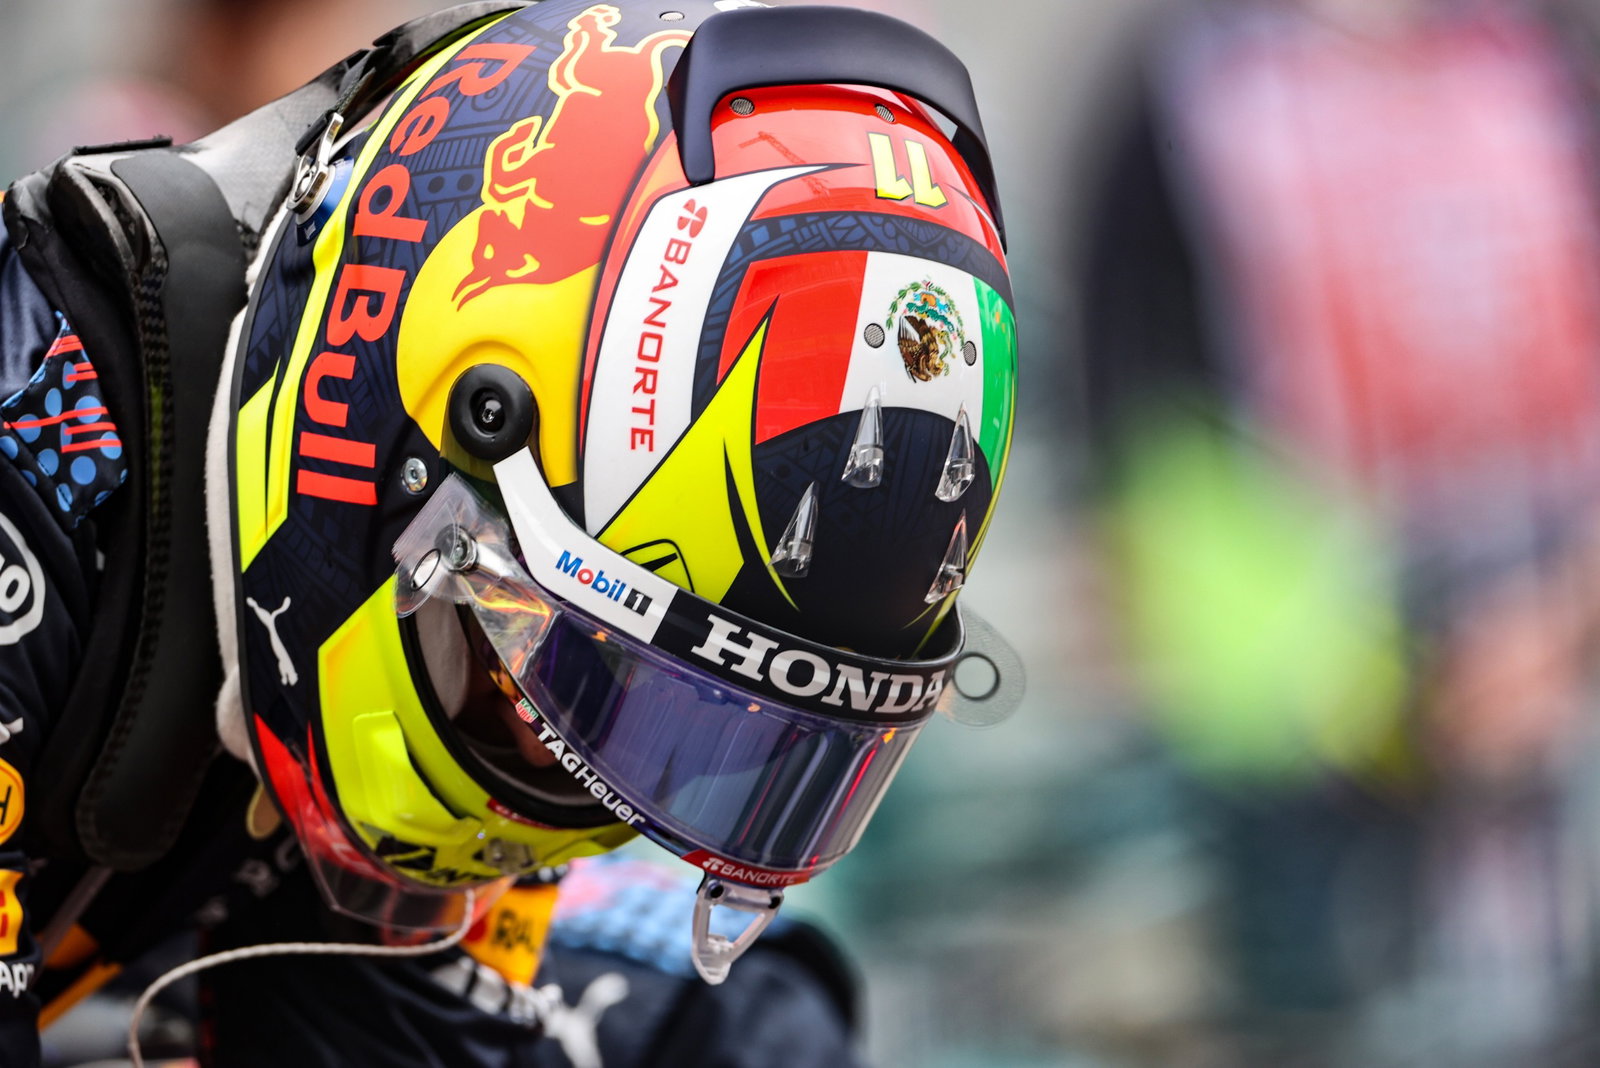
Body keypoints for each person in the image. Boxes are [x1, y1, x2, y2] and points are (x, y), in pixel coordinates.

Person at [0, 0, 1022, 1064]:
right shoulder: (33, 433)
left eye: (688, 735)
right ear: (417, 440)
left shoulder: (425, 647)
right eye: (571, 671)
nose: (580, 771)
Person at [1079, 0, 1600, 1061]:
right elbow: (1135, 412)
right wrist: (1362, 677)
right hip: (1307, 703)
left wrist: (1565, 621)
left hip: (1551, 639)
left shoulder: (1536, 50)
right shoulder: (1189, 76)